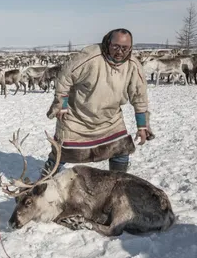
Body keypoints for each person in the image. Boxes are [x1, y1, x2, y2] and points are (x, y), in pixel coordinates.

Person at [44, 28, 154, 176]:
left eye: (125, 48)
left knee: (121, 150)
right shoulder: (90, 56)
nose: (120, 51)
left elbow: (139, 96)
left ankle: (116, 184)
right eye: (115, 46)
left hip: (110, 121)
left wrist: (142, 125)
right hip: (76, 117)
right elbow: (65, 77)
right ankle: (40, 188)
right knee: (60, 154)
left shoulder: (133, 65)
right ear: (108, 42)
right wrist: (61, 104)